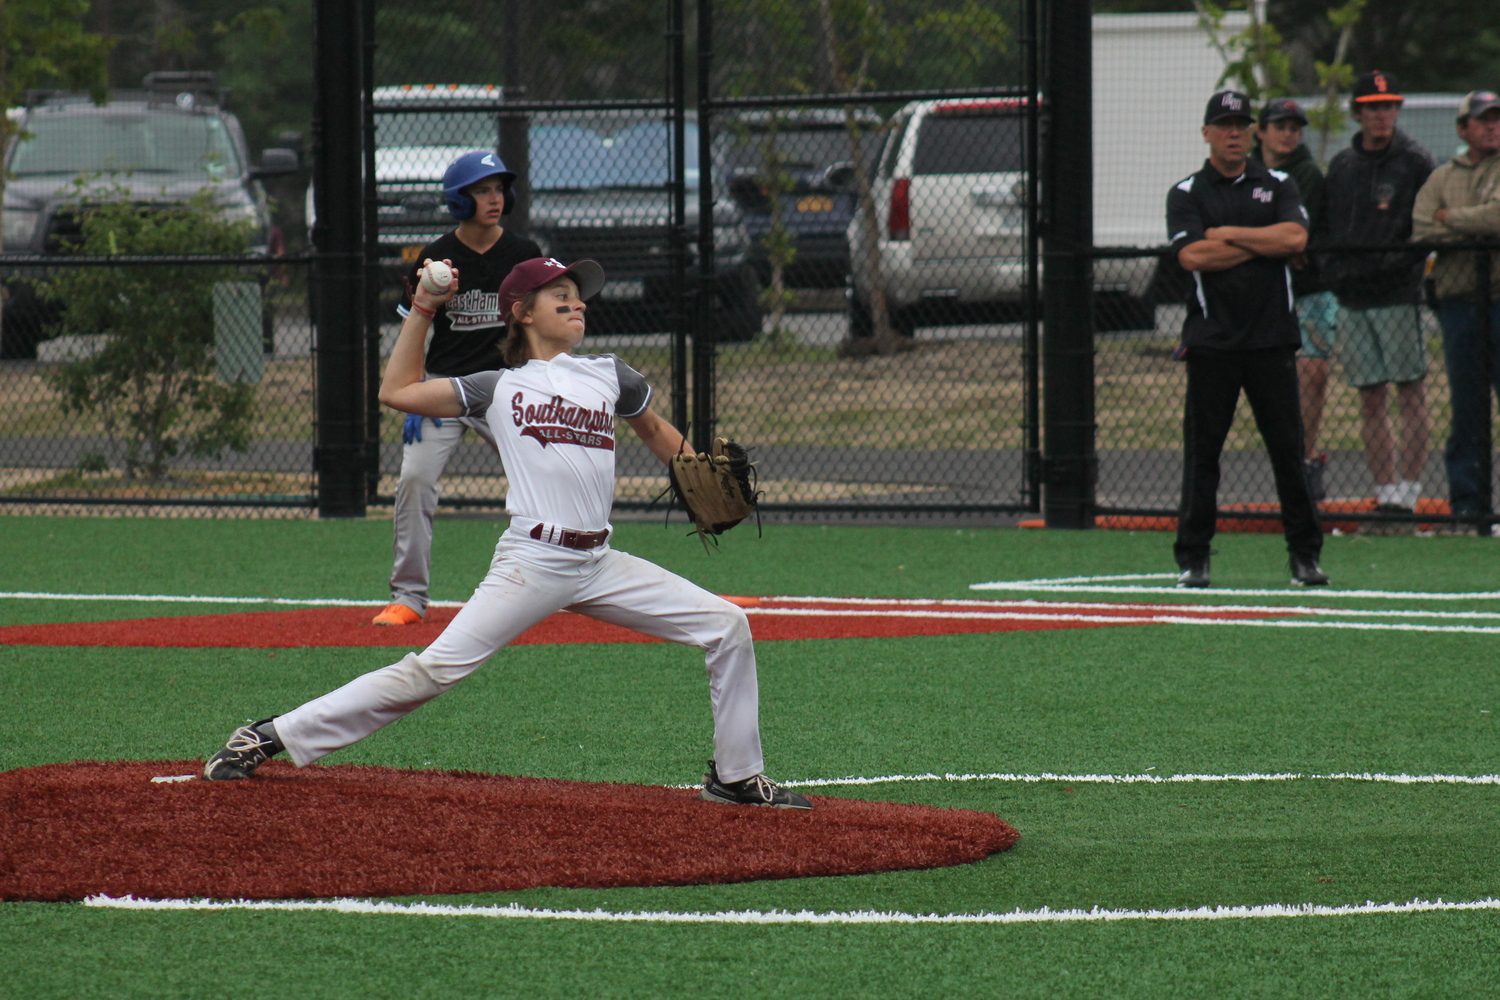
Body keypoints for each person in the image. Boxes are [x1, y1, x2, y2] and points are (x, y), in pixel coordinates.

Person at [204, 256, 812, 810]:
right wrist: (422, 308)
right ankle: (269, 735)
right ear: (522, 313)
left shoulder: (608, 374)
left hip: (599, 560)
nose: (577, 303)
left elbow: (652, 428)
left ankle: (736, 775)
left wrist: (696, 466)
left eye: (579, 295)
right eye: (560, 296)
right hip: (533, 560)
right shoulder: (497, 387)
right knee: (433, 670)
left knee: (727, 626)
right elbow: (397, 391)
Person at [372, 150, 543, 626]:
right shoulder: (434, 259)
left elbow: (542, 328)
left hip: (507, 390)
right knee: (414, 480)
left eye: (498, 189)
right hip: (444, 390)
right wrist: (414, 391)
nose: (494, 198)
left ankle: (565, 578)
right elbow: (414, 331)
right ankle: (408, 596)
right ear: (459, 201)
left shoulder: (524, 254)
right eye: (481, 191)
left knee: (546, 480)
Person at [1167, 91, 1328, 588]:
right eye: (1224, 124)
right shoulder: (1187, 192)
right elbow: (1193, 257)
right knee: (1203, 454)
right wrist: (1261, 244)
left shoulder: (1278, 183)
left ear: (1253, 131)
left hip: (1271, 340)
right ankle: (1194, 559)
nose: (1234, 132)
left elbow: (1295, 240)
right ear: (1207, 133)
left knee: (1288, 450)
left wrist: (1230, 235)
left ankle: (1305, 557)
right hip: (1213, 340)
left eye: (1241, 123)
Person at [1320, 71, 1437, 530]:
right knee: (1370, 395)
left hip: (1396, 293)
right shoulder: (1344, 165)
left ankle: (1409, 490)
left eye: (1388, 106)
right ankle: (1385, 491)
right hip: (1352, 297)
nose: (1381, 114)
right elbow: (1329, 227)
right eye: (1372, 106)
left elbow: (1422, 229)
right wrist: (1337, 272)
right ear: (1357, 112)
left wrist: (1394, 266)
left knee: (1410, 388)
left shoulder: (1414, 161)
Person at [1412, 89, 1500, 533]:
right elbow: (1422, 225)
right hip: (1460, 305)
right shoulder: (1442, 175)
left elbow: (1498, 218)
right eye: (1483, 120)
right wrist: (1467, 220)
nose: (1492, 126)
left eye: (1497, 119)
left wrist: (1453, 218)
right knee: (1467, 410)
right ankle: (1468, 506)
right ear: (1464, 128)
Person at [1252, 97, 1338, 500]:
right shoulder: (1245, 172)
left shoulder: (1306, 174)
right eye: (1280, 126)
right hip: (1262, 289)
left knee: (1312, 376)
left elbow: (1293, 235)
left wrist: (1252, 236)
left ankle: (1304, 462)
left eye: (1294, 127)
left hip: (1308, 288)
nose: (1288, 134)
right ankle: (1285, 463)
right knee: (1268, 381)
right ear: (1261, 131)